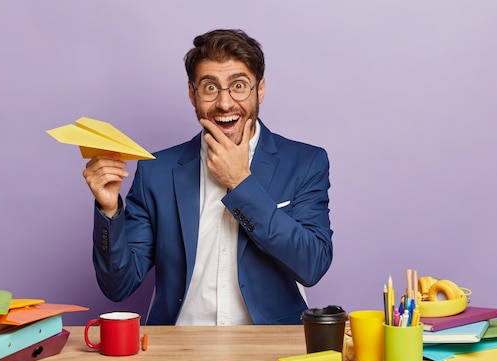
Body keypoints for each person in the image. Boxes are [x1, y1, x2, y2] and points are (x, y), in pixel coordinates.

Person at [83, 29, 333, 325]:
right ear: (192, 93)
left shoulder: (304, 163)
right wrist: (110, 210)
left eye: (238, 86)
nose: (225, 104)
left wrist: (241, 182)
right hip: (179, 350)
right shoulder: (157, 170)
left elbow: (312, 265)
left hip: (269, 349)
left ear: (260, 89)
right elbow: (118, 286)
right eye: (210, 87)